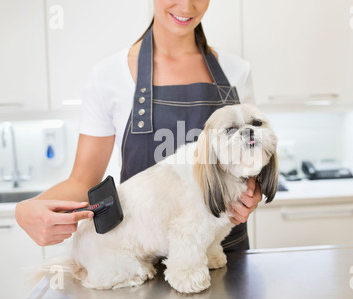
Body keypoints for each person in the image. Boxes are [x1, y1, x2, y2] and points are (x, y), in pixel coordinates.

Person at [15, 0, 261, 251]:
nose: (187, 7)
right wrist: (27, 208)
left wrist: (252, 192)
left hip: (222, 253)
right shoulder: (108, 76)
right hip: (140, 255)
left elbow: (253, 162)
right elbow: (82, 181)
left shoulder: (236, 71)